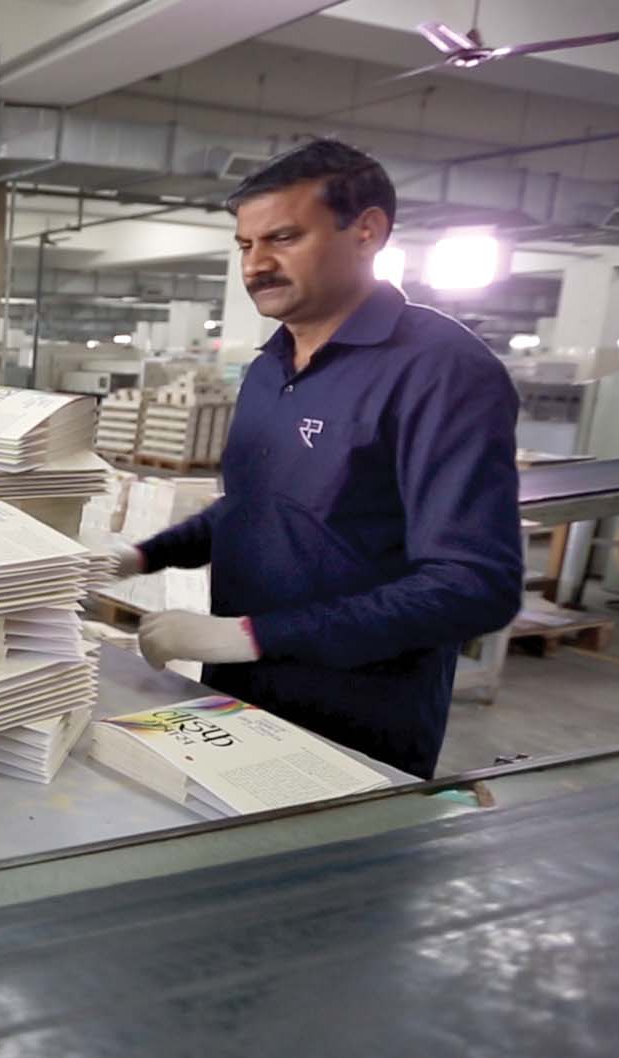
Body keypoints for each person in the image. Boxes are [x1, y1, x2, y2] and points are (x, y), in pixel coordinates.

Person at [119, 139, 522, 779]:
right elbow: (257, 508)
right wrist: (142, 555)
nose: (257, 265)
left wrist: (252, 635)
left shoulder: (440, 370)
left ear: (367, 231)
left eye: (283, 238)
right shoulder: (268, 368)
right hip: (238, 695)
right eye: (245, 245)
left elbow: (473, 585)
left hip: (356, 720)